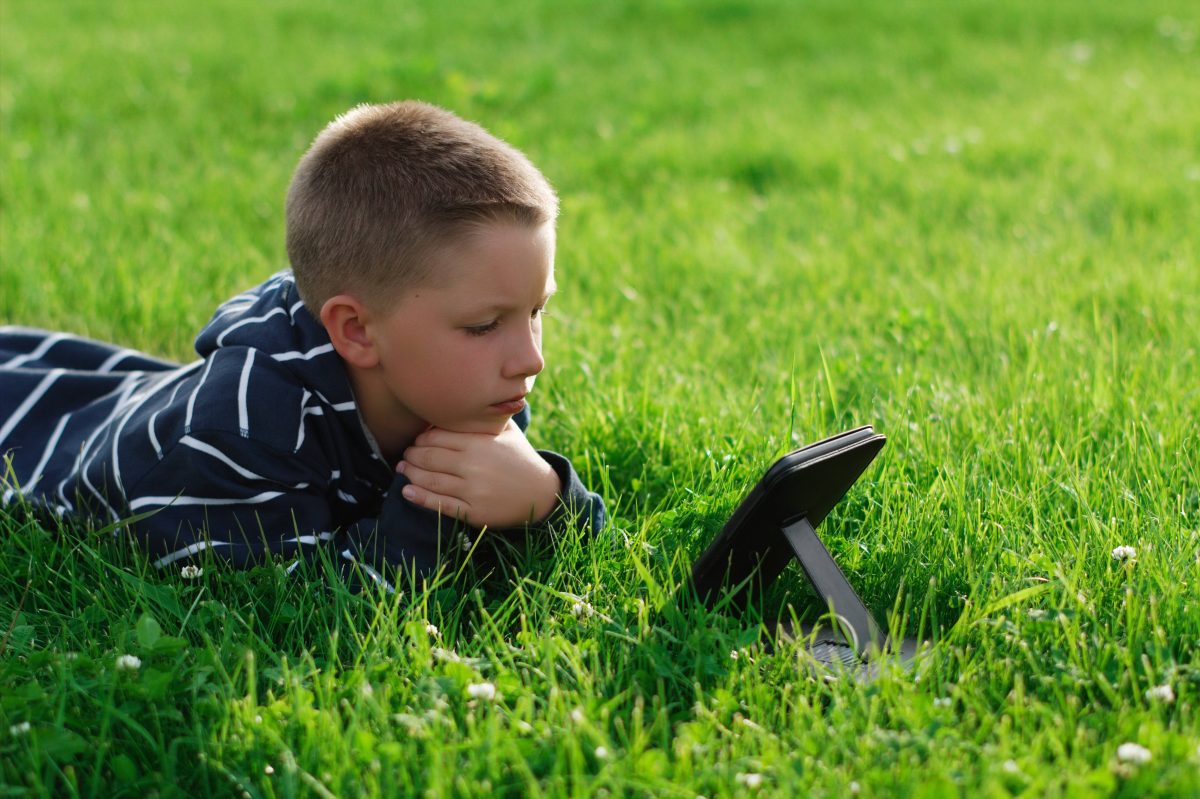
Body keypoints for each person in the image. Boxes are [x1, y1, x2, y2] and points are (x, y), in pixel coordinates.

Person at [0, 101, 605, 591]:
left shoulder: (471, 384)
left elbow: (550, 521)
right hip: (30, 429)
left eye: (536, 311)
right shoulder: (240, 435)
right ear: (358, 330)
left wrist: (549, 499)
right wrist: (434, 511)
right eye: (483, 326)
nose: (531, 358)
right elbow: (290, 605)